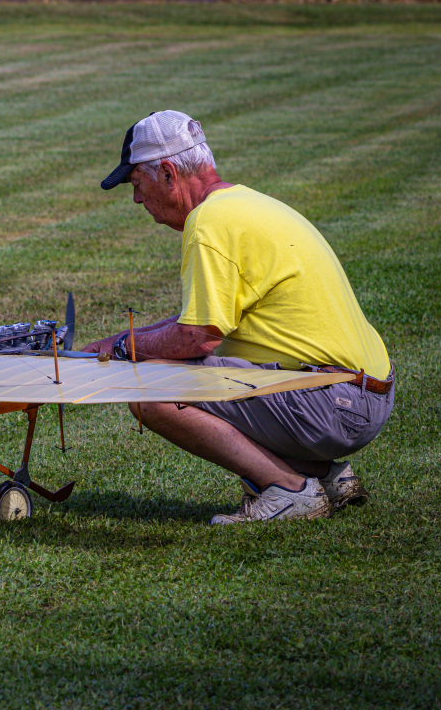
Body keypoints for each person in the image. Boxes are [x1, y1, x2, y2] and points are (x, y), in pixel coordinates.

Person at [86, 110, 395, 524]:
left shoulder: (209, 224)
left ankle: (288, 491)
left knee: (149, 390)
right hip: (367, 391)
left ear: (168, 173)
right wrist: (119, 341)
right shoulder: (247, 204)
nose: (137, 199)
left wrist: (125, 349)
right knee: (183, 370)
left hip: (337, 404)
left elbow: (197, 337)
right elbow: (201, 321)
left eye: (137, 184)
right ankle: (326, 475)